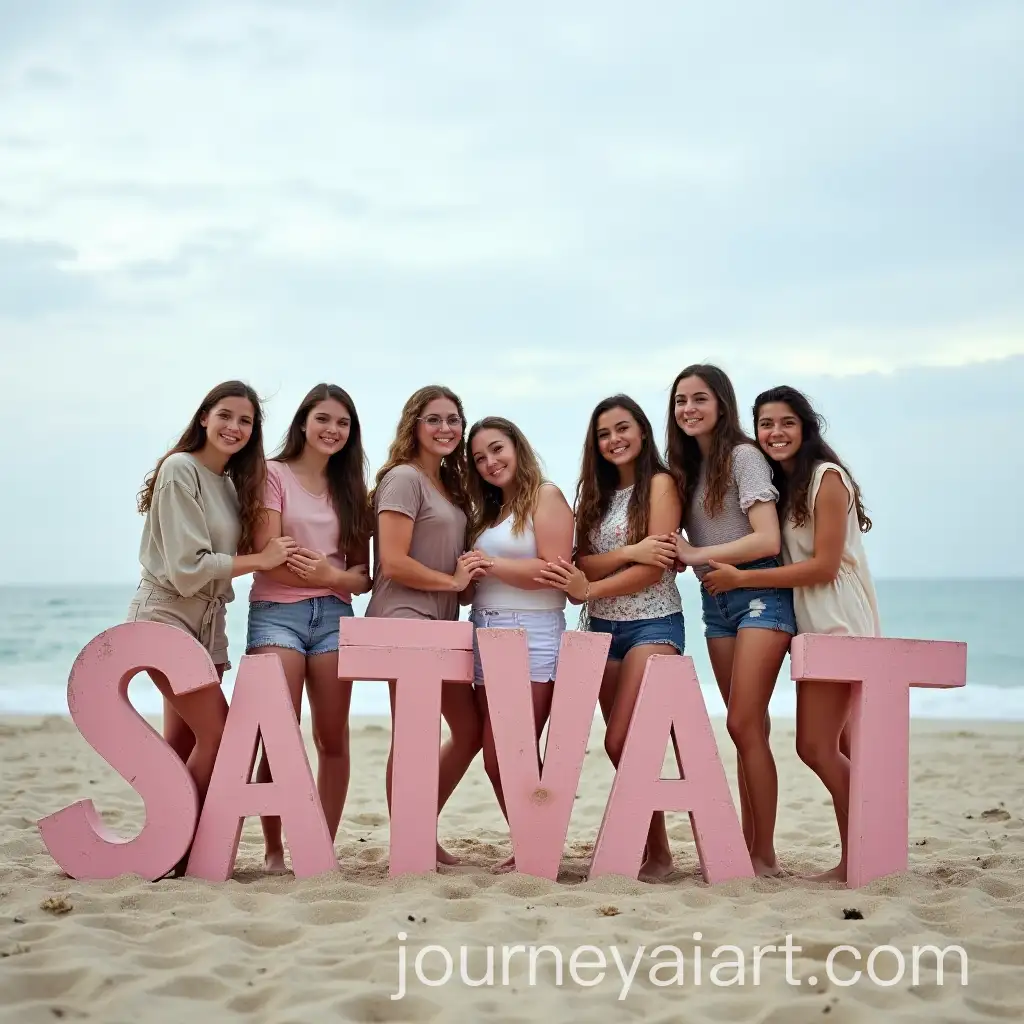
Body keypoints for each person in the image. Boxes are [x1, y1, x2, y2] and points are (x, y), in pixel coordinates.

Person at [702, 385, 880, 881]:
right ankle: (858, 855)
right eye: (766, 425)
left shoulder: (826, 479)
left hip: (836, 621)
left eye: (786, 423)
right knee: (828, 746)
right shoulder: (787, 486)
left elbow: (823, 567)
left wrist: (742, 579)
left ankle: (860, 853)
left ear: (806, 427)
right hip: (811, 623)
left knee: (817, 748)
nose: (775, 433)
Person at [128, 380, 296, 875]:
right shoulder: (181, 470)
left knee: (185, 743)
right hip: (167, 616)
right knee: (223, 736)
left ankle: (166, 849)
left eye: (245, 421)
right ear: (204, 417)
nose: (234, 428)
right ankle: (178, 839)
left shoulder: (228, 483)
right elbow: (186, 568)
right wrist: (261, 558)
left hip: (208, 627)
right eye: (226, 415)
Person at [538, 395, 683, 881]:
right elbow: (582, 560)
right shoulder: (595, 493)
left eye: (623, 428)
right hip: (601, 627)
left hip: (652, 623)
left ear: (642, 432)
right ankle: (653, 848)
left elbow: (653, 568)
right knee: (620, 746)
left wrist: (594, 584)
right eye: (604, 433)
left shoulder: (659, 484)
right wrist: (631, 550)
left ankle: (658, 854)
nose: (614, 439)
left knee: (626, 738)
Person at [666, 364, 796, 877]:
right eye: (680, 401)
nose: (689, 409)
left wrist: (698, 552)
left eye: (699, 398)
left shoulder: (743, 456)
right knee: (748, 729)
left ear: (722, 403)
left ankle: (763, 854)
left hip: (759, 590)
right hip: (715, 601)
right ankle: (749, 845)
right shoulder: (686, 471)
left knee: (743, 723)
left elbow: (768, 539)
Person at [245, 383, 373, 873]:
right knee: (278, 733)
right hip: (278, 613)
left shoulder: (351, 490)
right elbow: (268, 554)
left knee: (332, 737)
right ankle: (275, 850)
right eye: (323, 419)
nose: (332, 430)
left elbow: (362, 575)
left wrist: (329, 577)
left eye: (342, 423)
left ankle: (321, 846)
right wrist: (322, 574)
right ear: (303, 422)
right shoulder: (272, 475)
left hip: (335, 618)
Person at [366, 385, 490, 865]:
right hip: (404, 616)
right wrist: (454, 579)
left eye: (453, 420)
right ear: (413, 425)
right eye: (434, 419)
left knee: (469, 728)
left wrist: (468, 582)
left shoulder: (448, 485)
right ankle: (412, 839)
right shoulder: (403, 479)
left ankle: (418, 826)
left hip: (440, 622)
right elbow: (393, 562)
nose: (446, 428)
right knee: (413, 732)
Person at [462, 416, 575, 873]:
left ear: (517, 446)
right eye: (479, 458)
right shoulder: (488, 512)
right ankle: (531, 844)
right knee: (501, 757)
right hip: (485, 630)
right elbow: (475, 578)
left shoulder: (544, 496)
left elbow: (554, 570)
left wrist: (487, 565)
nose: (490, 462)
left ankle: (536, 847)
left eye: (497, 449)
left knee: (509, 753)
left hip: (531, 632)